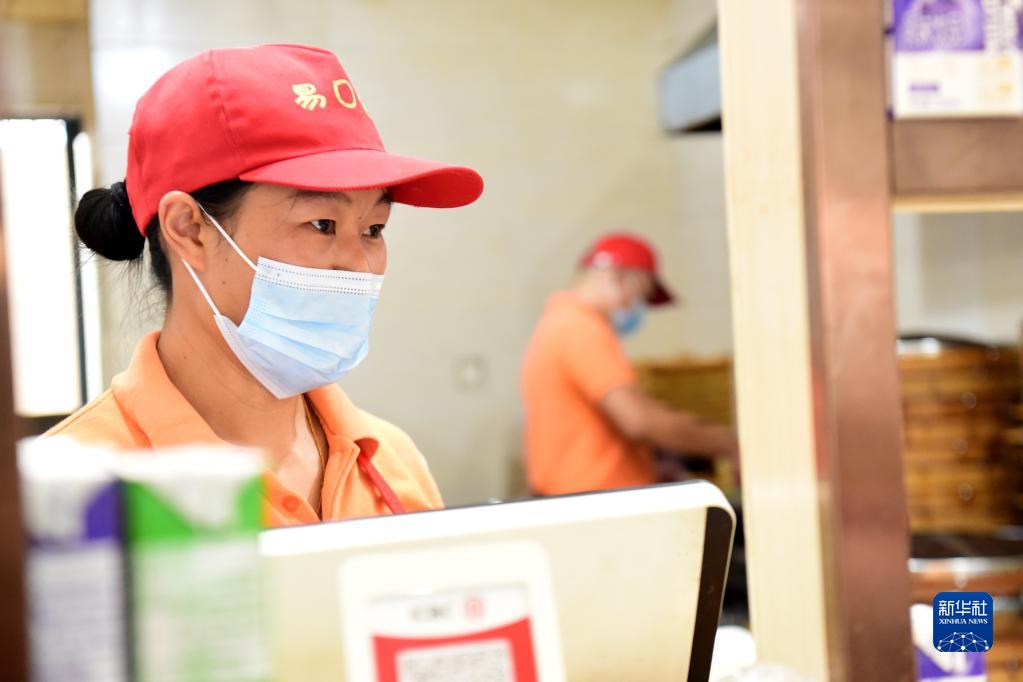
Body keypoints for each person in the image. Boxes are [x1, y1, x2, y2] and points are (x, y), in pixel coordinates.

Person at [46, 44, 484, 526]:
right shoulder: (74, 497)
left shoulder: (390, 460)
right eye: (322, 224)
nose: (360, 266)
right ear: (189, 229)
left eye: (374, 229)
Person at [521, 233, 738, 496]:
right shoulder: (580, 328)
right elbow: (638, 420)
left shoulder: (561, 322)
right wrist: (725, 443)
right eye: (640, 296)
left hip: (584, 495)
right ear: (617, 277)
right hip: (592, 500)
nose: (637, 307)